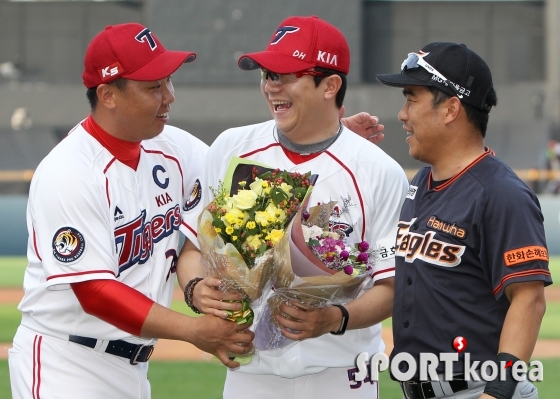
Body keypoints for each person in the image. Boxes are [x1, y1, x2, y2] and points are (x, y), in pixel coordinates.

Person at [8, 22, 255, 399]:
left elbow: (245, 175)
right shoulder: (69, 172)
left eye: (169, 81)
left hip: (135, 366)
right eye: (153, 87)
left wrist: (317, 142)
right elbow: (95, 291)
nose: (169, 96)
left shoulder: (175, 148)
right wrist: (192, 331)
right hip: (67, 363)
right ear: (108, 94)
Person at [183, 15, 409, 399]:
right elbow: (191, 248)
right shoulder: (230, 148)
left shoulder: (379, 171)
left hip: (341, 374)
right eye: (267, 74)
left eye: (286, 74)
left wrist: (334, 318)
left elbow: (393, 285)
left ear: (330, 85)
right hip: (249, 371)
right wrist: (194, 288)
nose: (271, 86)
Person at [376, 42, 552, 399]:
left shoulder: (501, 193)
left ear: (451, 109)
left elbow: (529, 300)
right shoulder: (420, 183)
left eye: (412, 98)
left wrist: (499, 391)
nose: (402, 114)